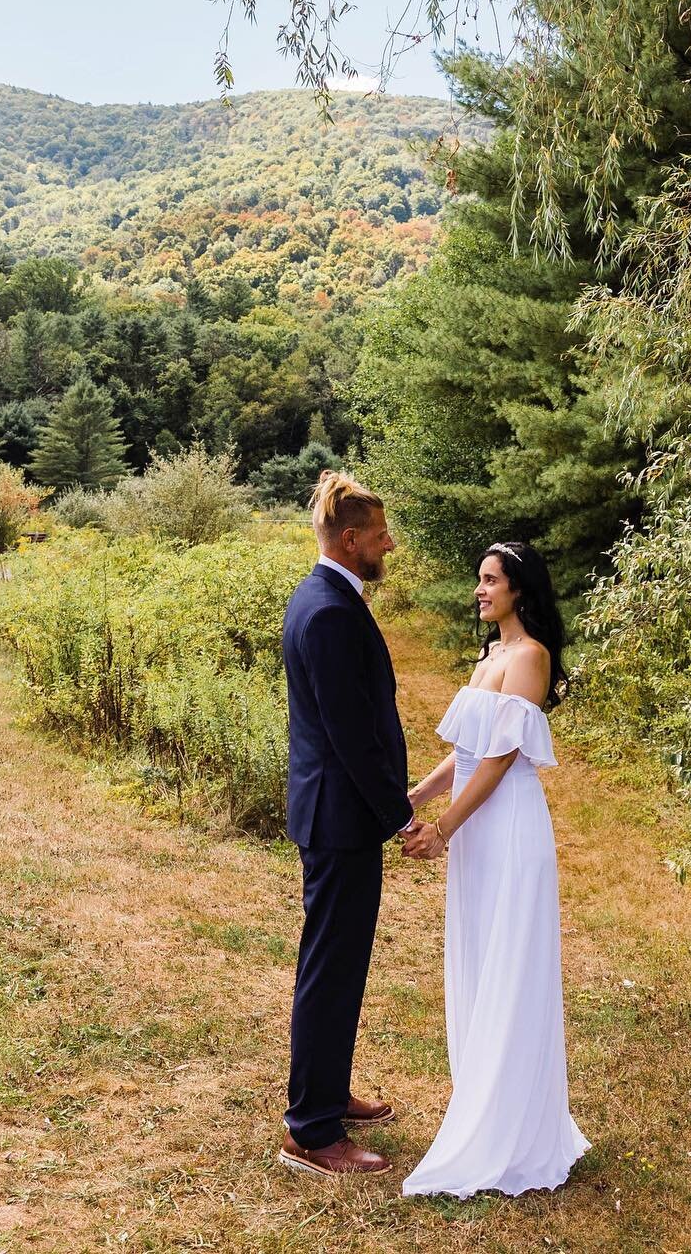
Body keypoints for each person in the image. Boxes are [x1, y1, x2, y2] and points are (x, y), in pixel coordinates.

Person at [401, 539, 590, 1198]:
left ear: (518, 589)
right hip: (476, 830)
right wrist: (417, 798)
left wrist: (445, 829)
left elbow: (503, 758)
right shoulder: (490, 656)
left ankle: (511, 1133)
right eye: (478, 580)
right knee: (480, 958)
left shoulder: (530, 658)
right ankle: (481, 1099)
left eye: (489, 580)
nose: (479, 591)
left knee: (510, 961)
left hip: (507, 829)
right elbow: (467, 752)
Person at [278, 470, 435, 1179]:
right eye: (380, 536)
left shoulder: (322, 597)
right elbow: (349, 734)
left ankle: (329, 1090)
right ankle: (310, 1131)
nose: (389, 545)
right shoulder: (331, 611)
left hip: (336, 814)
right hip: (340, 818)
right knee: (330, 970)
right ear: (350, 540)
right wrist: (400, 813)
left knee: (340, 966)